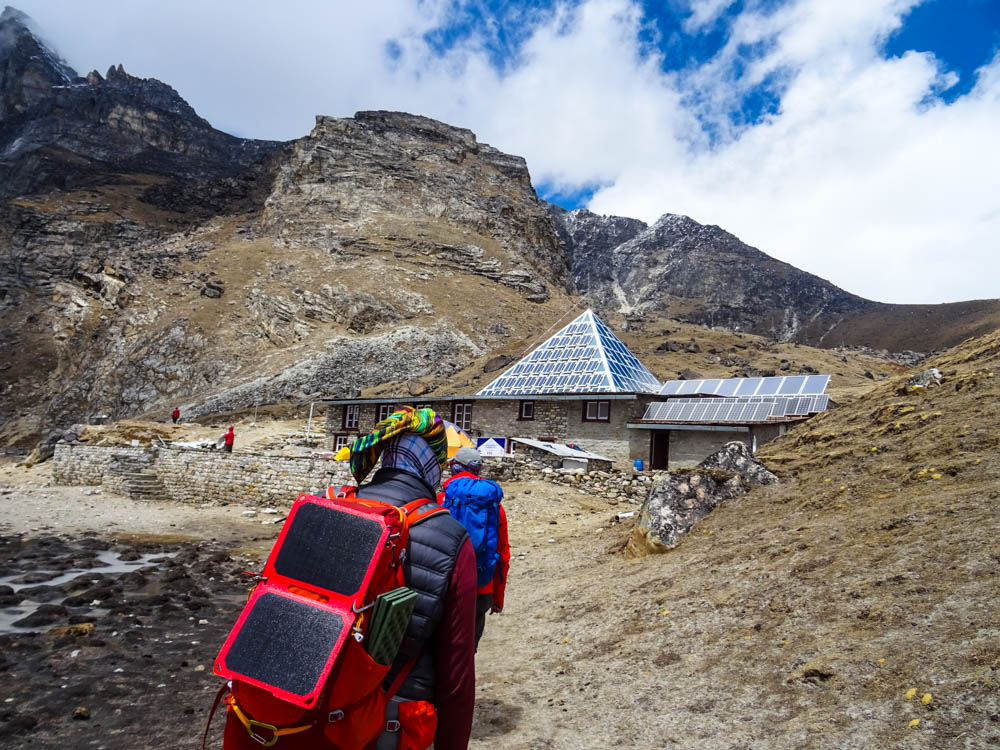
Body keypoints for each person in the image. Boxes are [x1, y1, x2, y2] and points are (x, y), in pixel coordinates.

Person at [338, 406, 477, 750]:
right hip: (391, 722)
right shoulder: (451, 537)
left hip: (318, 703)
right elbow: (456, 674)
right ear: (432, 463)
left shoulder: (334, 506)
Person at [440, 446, 510, 651]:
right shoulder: (495, 507)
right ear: (478, 470)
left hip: (446, 587)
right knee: (467, 652)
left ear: (454, 467)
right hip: (483, 587)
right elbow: (503, 554)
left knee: (440, 650)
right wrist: (498, 597)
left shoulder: (441, 500)